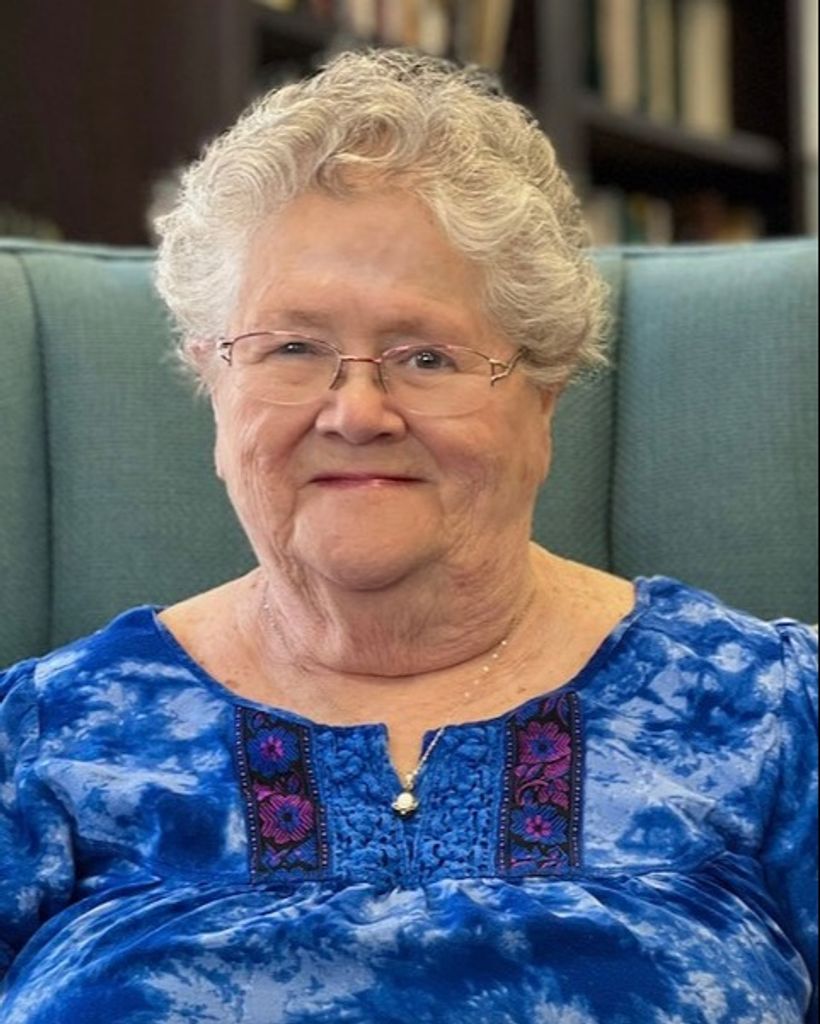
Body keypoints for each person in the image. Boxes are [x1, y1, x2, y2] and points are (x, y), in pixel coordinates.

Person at [0, 49, 816, 1024]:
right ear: (212, 378)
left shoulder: (770, 714)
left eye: (425, 356)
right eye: (291, 347)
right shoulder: (39, 740)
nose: (356, 412)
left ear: (544, 391)